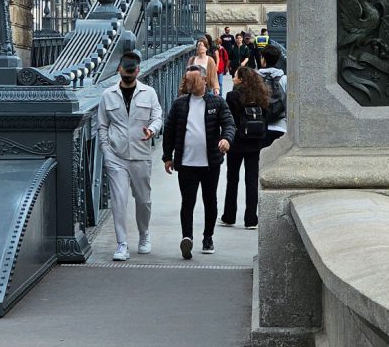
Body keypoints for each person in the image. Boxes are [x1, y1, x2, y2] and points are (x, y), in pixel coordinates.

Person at [97, 51, 163, 262]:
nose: (128, 74)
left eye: (132, 71)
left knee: (143, 200)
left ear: (138, 70)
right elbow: (102, 125)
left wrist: (152, 130)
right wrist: (107, 151)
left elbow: (157, 116)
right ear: (119, 69)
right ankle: (122, 243)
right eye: (126, 70)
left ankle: (144, 234)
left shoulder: (149, 93)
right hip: (116, 155)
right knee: (119, 200)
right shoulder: (108, 95)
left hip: (141, 154)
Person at [162, 69, 235, 258]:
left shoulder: (216, 102)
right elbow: (169, 130)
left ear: (204, 79)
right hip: (186, 163)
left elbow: (229, 124)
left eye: (193, 79)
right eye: (187, 80)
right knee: (188, 201)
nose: (189, 83)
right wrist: (167, 156)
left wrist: (226, 139)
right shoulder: (180, 104)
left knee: (210, 200)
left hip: (210, 162)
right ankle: (187, 238)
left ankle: (208, 237)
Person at [220, 65, 271, 230]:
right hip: (255, 143)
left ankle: (229, 216)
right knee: (251, 180)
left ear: (241, 79)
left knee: (232, 179)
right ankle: (251, 219)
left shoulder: (232, 96)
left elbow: (229, 121)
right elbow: (266, 118)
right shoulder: (261, 95)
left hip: (236, 142)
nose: (233, 78)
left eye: (235, 76)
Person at [257, 43, 288, 147]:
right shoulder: (284, 79)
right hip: (281, 126)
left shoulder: (254, 78)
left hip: (259, 126)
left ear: (263, 59)